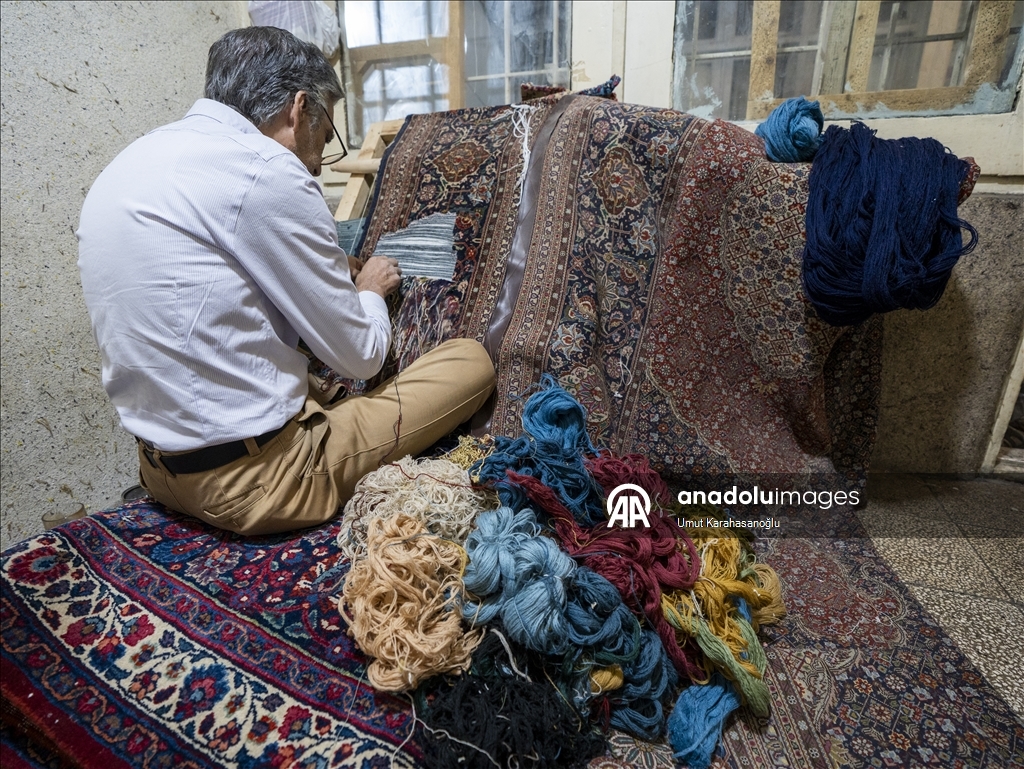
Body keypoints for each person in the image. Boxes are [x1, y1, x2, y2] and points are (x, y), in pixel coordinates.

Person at [77, 27, 495, 536]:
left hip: (159, 469)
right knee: (472, 361)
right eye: (324, 135)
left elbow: (212, 286)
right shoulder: (270, 170)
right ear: (299, 109)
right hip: (257, 485)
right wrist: (370, 291)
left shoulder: (132, 161)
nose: (319, 162)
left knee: (308, 381)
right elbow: (361, 357)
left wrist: (322, 266)